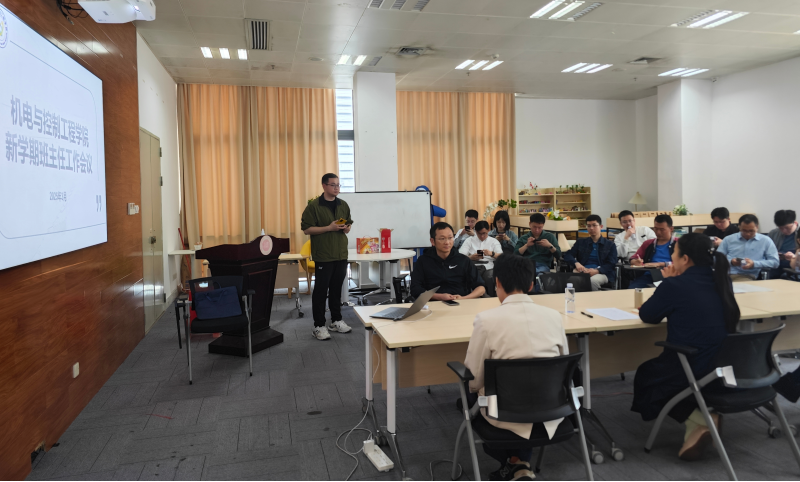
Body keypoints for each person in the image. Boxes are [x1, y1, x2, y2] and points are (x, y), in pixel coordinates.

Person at [631, 233, 740, 461]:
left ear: (685, 259)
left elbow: (648, 315)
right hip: (723, 364)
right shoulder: (722, 279)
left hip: (691, 365)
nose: (671, 257)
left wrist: (668, 282)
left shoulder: (674, 285)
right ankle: (699, 422)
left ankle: (699, 420)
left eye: (674, 253)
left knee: (646, 376)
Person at [464, 254, 569, 481]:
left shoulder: (486, 320)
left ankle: (514, 461)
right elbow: (563, 365)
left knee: (468, 391)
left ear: (497, 282)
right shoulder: (554, 317)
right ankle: (519, 462)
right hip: (552, 407)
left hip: (503, 413)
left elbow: (474, 379)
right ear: (531, 285)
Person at [300, 173, 354, 341]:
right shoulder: (314, 206)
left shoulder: (343, 204)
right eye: (333, 185)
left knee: (337, 289)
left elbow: (348, 223)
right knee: (321, 291)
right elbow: (307, 229)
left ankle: (336, 320)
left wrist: (346, 228)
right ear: (324, 186)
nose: (336, 188)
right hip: (324, 255)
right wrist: (329, 228)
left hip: (340, 253)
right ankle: (319, 326)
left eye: (338, 185)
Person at [411, 222, 486, 301]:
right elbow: (415, 289)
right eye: (442, 238)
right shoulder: (423, 261)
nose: (447, 242)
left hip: (461, 302)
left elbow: (480, 288)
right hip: (433, 303)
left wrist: (463, 298)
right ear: (432, 241)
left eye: (450, 238)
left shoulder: (463, 260)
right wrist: (439, 297)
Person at [563, 215, 618, 291]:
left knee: (592, 281)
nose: (591, 228)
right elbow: (568, 255)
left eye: (594, 225)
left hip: (602, 273)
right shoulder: (581, 242)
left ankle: (595, 299)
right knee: (572, 280)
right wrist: (576, 263)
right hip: (584, 271)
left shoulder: (610, 244)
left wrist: (597, 271)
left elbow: (611, 263)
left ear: (601, 226)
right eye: (589, 226)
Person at [718, 214, 779, 281]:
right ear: (739, 227)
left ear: (757, 227)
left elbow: (775, 262)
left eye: (751, 231)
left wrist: (754, 264)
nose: (748, 234)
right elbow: (716, 259)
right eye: (744, 230)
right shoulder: (728, 239)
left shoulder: (765, 241)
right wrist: (731, 262)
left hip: (746, 275)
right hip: (724, 273)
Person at [628, 214, 677, 289]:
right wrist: (635, 261)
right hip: (649, 275)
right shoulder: (648, 243)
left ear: (671, 229)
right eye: (656, 229)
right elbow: (633, 258)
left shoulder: (679, 243)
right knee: (633, 289)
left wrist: (661, 264)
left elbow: (685, 263)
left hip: (672, 275)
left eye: (662, 229)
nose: (658, 232)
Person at [460, 221, 503, 297]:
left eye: (484, 233)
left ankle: (489, 297)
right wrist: (470, 257)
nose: (482, 236)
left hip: (488, 266)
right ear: (476, 231)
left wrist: (492, 254)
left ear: (488, 230)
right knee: (470, 276)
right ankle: (476, 296)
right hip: (473, 265)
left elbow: (501, 257)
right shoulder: (469, 240)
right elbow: (460, 256)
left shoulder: (493, 241)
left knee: (490, 277)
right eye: (479, 234)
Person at [514, 213, 560, 282]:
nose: (537, 230)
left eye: (540, 227)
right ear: (530, 224)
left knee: (539, 277)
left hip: (543, 264)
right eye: (534, 227)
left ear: (543, 225)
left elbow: (558, 255)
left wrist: (550, 246)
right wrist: (526, 245)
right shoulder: (524, 238)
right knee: (526, 275)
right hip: (527, 264)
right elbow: (515, 254)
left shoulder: (550, 236)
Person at [767, 210, 799, 279]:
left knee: (785, 276)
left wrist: (794, 257)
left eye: (787, 228)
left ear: (795, 223)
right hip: (776, 265)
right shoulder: (773, 234)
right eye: (781, 228)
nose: (784, 231)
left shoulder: (799, 235)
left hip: (793, 267)